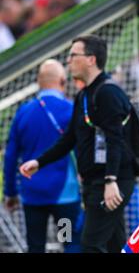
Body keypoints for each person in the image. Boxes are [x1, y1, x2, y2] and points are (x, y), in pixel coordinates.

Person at [19, 35, 136, 253]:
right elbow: (69, 138)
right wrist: (39, 162)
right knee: (111, 244)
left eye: (73, 55)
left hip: (107, 183)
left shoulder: (107, 92)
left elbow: (115, 139)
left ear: (91, 59)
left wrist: (111, 180)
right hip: (82, 189)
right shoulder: (83, 95)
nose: (69, 60)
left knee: (87, 244)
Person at [3, 59, 81, 253]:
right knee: (69, 242)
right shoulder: (70, 109)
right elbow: (81, 148)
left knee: (35, 246)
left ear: (38, 81)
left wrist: (10, 192)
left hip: (33, 195)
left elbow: (11, 156)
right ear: (62, 81)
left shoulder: (23, 112)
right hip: (65, 196)